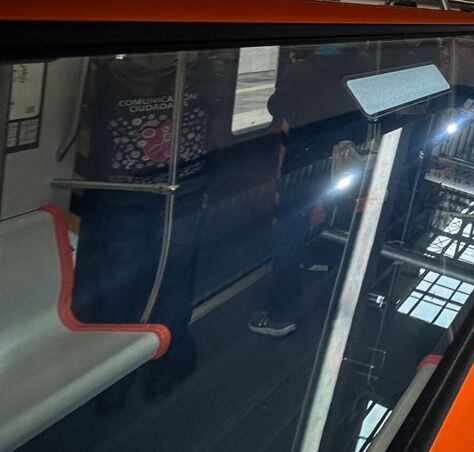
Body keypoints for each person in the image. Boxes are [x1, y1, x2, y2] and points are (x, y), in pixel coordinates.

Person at [72, 49, 230, 401]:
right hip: (183, 184)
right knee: (174, 275)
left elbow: (83, 115)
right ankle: (170, 364)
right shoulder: (202, 60)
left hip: (122, 185)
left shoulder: (104, 63)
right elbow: (218, 104)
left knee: (119, 277)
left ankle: (113, 379)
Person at [248, 43, 373, 338]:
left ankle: (281, 311)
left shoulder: (302, 70)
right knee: (341, 213)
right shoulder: (364, 61)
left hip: (306, 158)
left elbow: (275, 106)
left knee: (291, 226)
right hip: (347, 156)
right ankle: (330, 265)